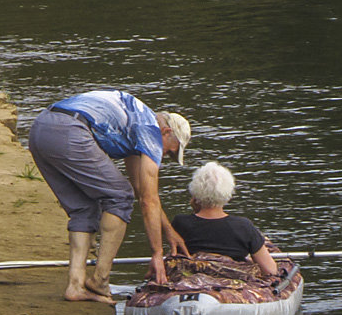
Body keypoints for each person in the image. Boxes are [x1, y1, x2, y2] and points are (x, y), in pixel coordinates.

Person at [28, 89, 191, 303]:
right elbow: (146, 200)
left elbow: (143, 191)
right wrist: (157, 253)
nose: (165, 156)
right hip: (71, 129)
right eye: (170, 151)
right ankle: (100, 281)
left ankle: (75, 286)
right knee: (120, 197)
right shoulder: (151, 130)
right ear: (166, 131)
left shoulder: (137, 123)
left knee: (84, 208)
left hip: (40, 128)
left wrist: (169, 231)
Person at [171, 162, 278, 277]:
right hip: (231, 286)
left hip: (192, 283)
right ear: (228, 192)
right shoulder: (243, 226)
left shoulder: (180, 223)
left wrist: (196, 210)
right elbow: (270, 270)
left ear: (195, 192)